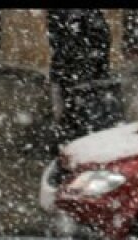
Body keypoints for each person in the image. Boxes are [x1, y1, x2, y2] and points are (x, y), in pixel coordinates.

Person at [45, 9, 120, 145]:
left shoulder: (77, 15)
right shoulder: (69, 14)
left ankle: (71, 143)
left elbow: (98, 40)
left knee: (76, 119)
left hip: (78, 78)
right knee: (74, 118)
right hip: (76, 76)